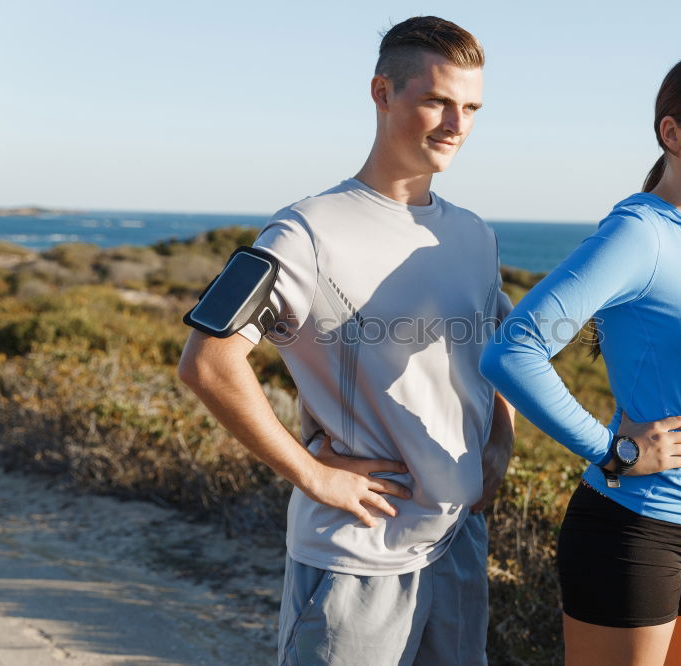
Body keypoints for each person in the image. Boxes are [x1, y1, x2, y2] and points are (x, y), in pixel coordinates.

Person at [177, 16, 514, 666]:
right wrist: (310, 474)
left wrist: (501, 442)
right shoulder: (305, 231)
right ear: (382, 93)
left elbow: (496, 350)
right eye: (436, 100)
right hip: (357, 552)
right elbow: (208, 363)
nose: (456, 123)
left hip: (458, 540)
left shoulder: (474, 236)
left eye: (470, 107)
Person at [480, 50, 681, 666]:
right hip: (634, 531)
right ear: (672, 131)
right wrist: (612, 449)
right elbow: (514, 350)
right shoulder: (638, 233)